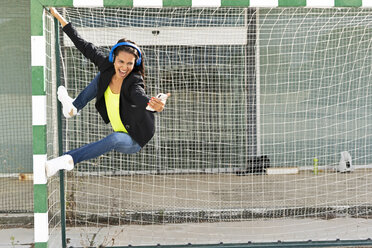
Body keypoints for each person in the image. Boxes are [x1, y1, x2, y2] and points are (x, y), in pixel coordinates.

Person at [45, 7, 170, 177]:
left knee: (115, 138)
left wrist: (155, 105)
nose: (124, 67)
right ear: (113, 58)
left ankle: (68, 160)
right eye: (121, 61)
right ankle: (73, 108)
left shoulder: (134, 81)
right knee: (102, 77)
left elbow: (139, 95)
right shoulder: (108, 67)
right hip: (120, 121)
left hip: (133, 138)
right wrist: (61, 20)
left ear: (135, 64)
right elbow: (85, 46)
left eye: (130, 64)